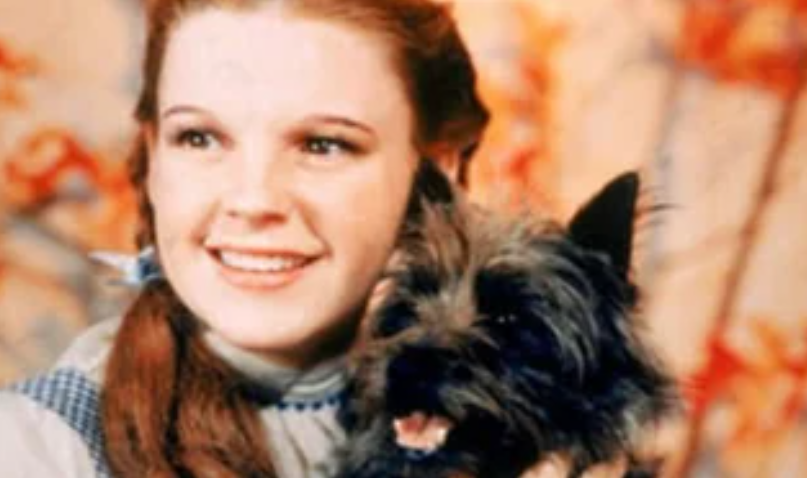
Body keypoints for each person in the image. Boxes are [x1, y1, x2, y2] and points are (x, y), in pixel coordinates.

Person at [0, 1, 634, 477]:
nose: (252, 200)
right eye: (200, 137)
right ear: (153, 158)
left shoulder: (530, 426)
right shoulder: (41, 445)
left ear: (433, 172)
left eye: (323, 144)